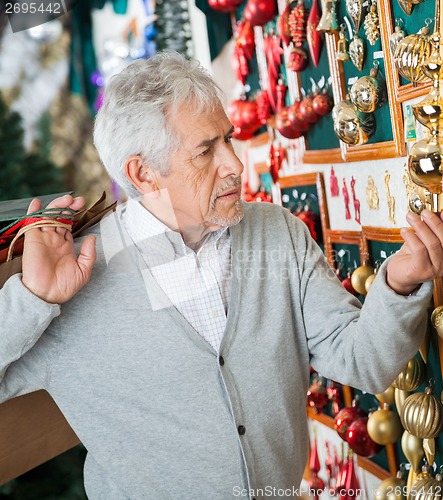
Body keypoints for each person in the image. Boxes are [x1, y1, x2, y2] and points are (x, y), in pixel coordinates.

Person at [0, 51, 442, 499]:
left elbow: (363, 362)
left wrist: (399, 283)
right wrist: (32, 300)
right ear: (143, 173)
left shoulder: (276, 232)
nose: (233, 163)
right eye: (205, 150)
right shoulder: (70, 281)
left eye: (227, 139)